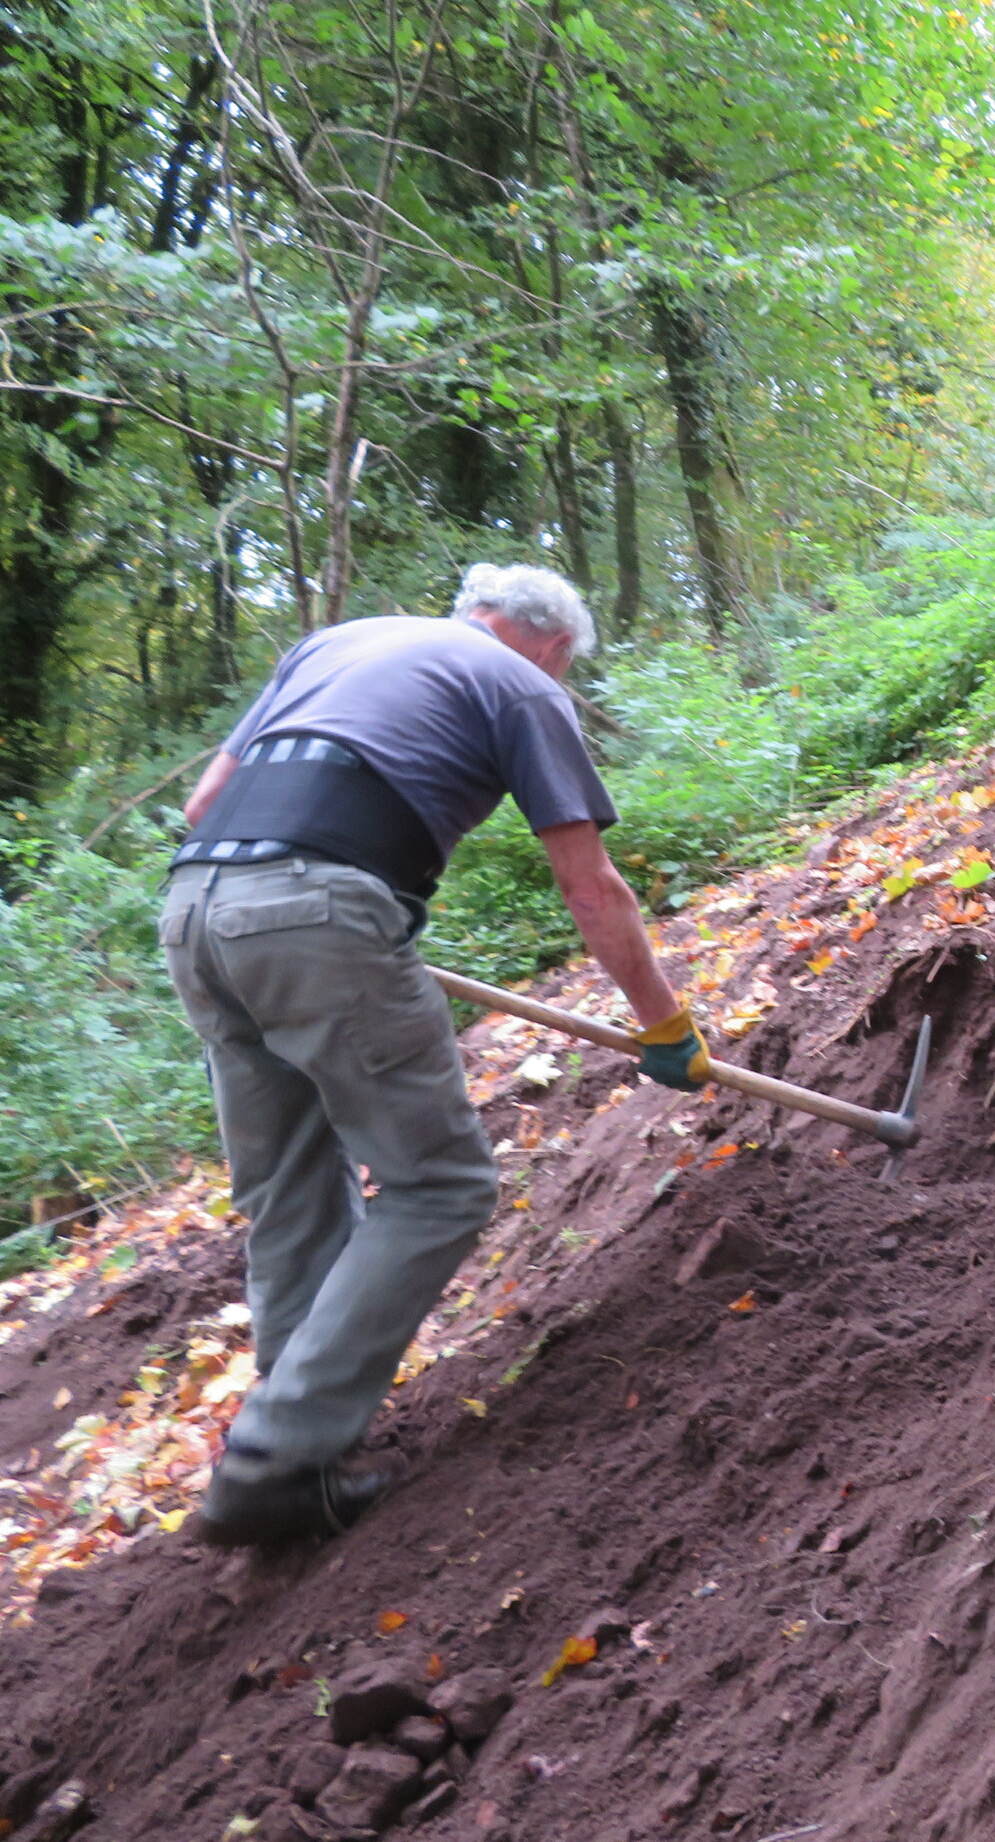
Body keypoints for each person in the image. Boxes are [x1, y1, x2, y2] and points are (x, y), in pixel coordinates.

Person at [161, 564, 711, 1548]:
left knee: (289, 1190)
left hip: (195, 911)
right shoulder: (524, 685)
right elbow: (590, 887)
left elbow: (207, 804)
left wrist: (295, 915)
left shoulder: (334, 644)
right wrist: (662, 1024)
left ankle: (294, 1452)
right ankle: (279, 1453)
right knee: (439, 1186)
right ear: (553, 645)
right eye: (567, 664)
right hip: (317, 912)